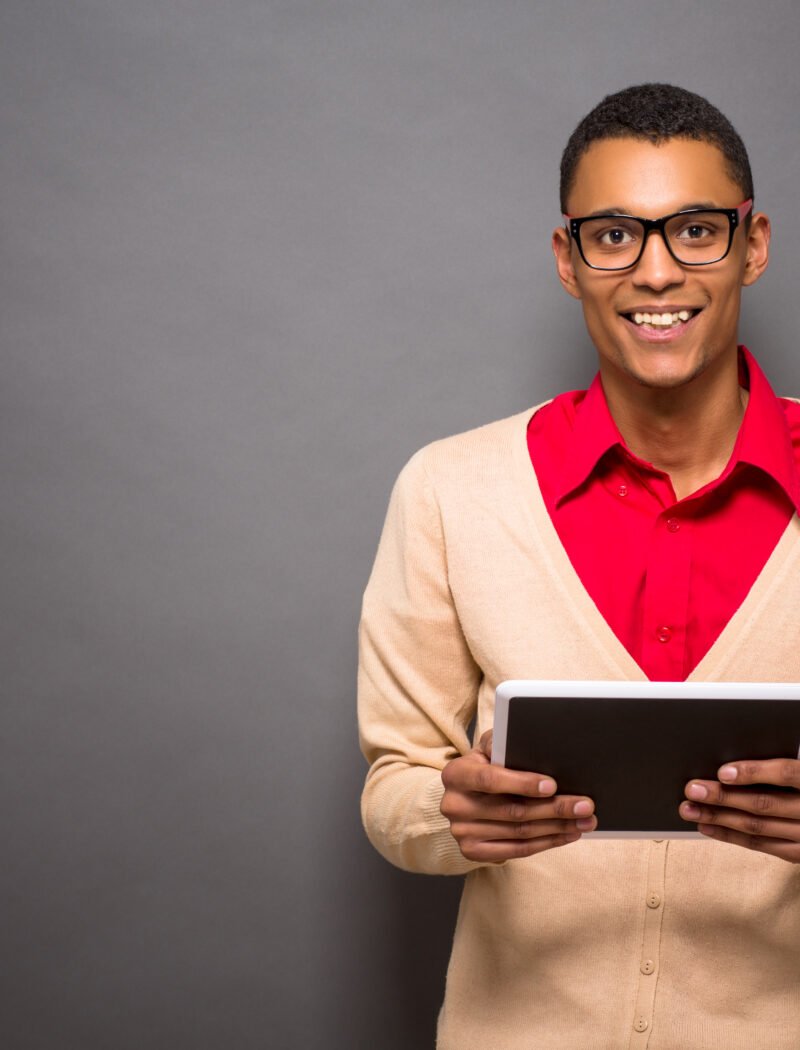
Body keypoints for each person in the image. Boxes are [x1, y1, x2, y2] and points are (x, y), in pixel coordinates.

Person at [358, 83, 800, 1049]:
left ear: (753, 245)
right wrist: (448, 812)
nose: (654, 272)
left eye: (695, 231)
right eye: (613, 235)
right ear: (569, 259)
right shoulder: (450, 491)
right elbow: (395, 779)